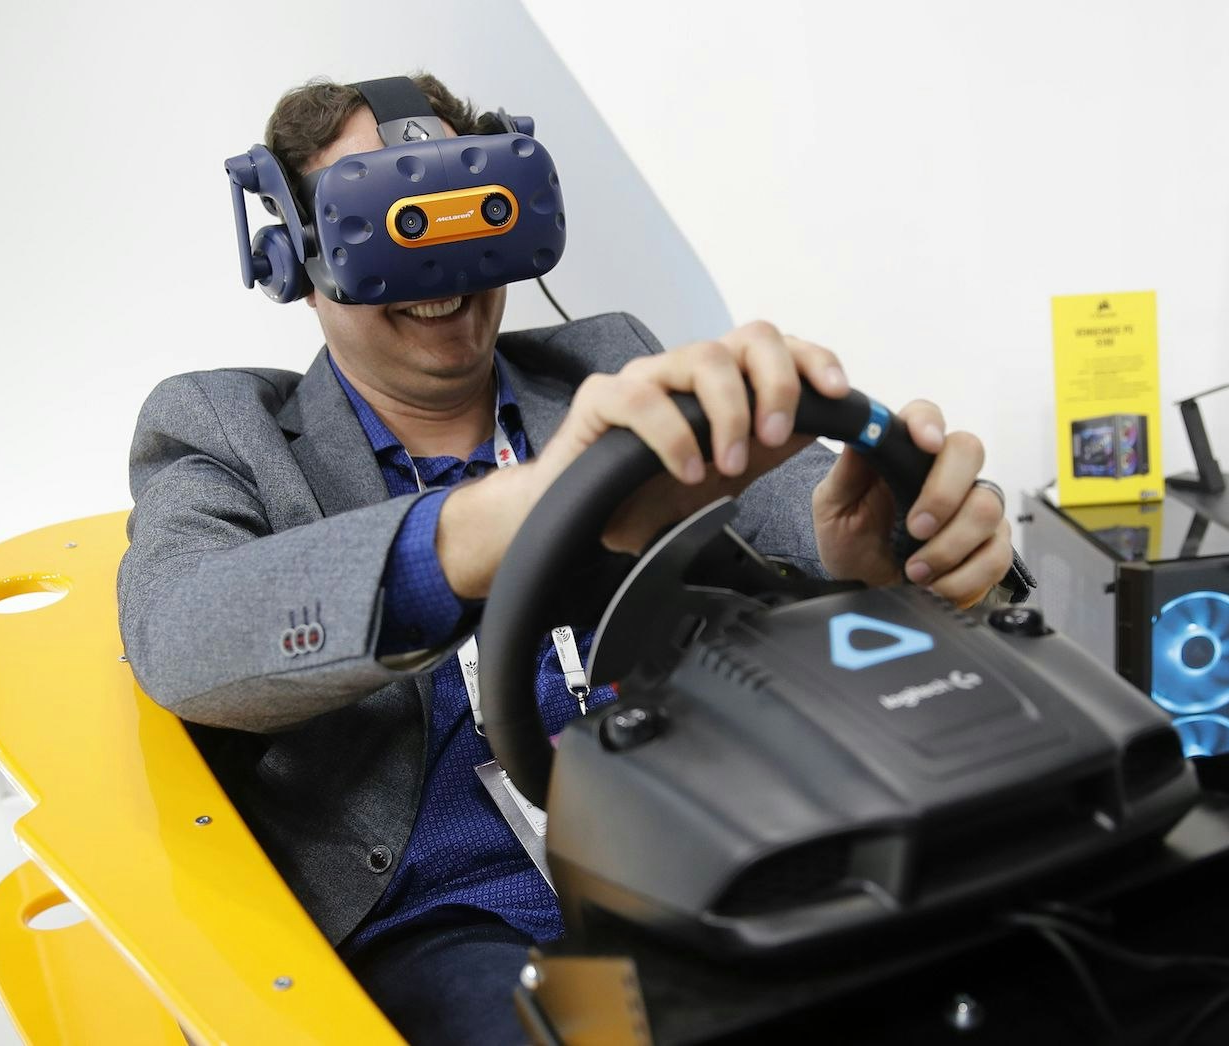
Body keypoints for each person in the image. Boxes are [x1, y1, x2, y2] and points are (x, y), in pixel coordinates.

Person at [118, 73, 1023, 1046]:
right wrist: (512, 513)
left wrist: (890, 556)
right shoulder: (223, 426)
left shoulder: (608, 362)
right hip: (461, 914)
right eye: (387, 224)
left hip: (706, 848)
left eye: (471, 212)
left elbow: (801, 507)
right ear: (295, 251)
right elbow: (184, 630)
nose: (440, 269)